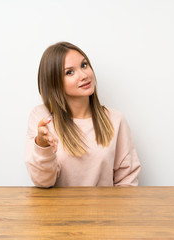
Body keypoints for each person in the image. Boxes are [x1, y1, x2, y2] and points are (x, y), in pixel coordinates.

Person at [24, 41, 141, 187]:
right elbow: (42, 182)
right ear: (54, 82)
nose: (84, 75)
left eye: (84, 65)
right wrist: (42, 146)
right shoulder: (42, 117)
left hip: (106, 209)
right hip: (58, 210)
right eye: (69, 72)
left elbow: (127, 180)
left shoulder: (115, 120)